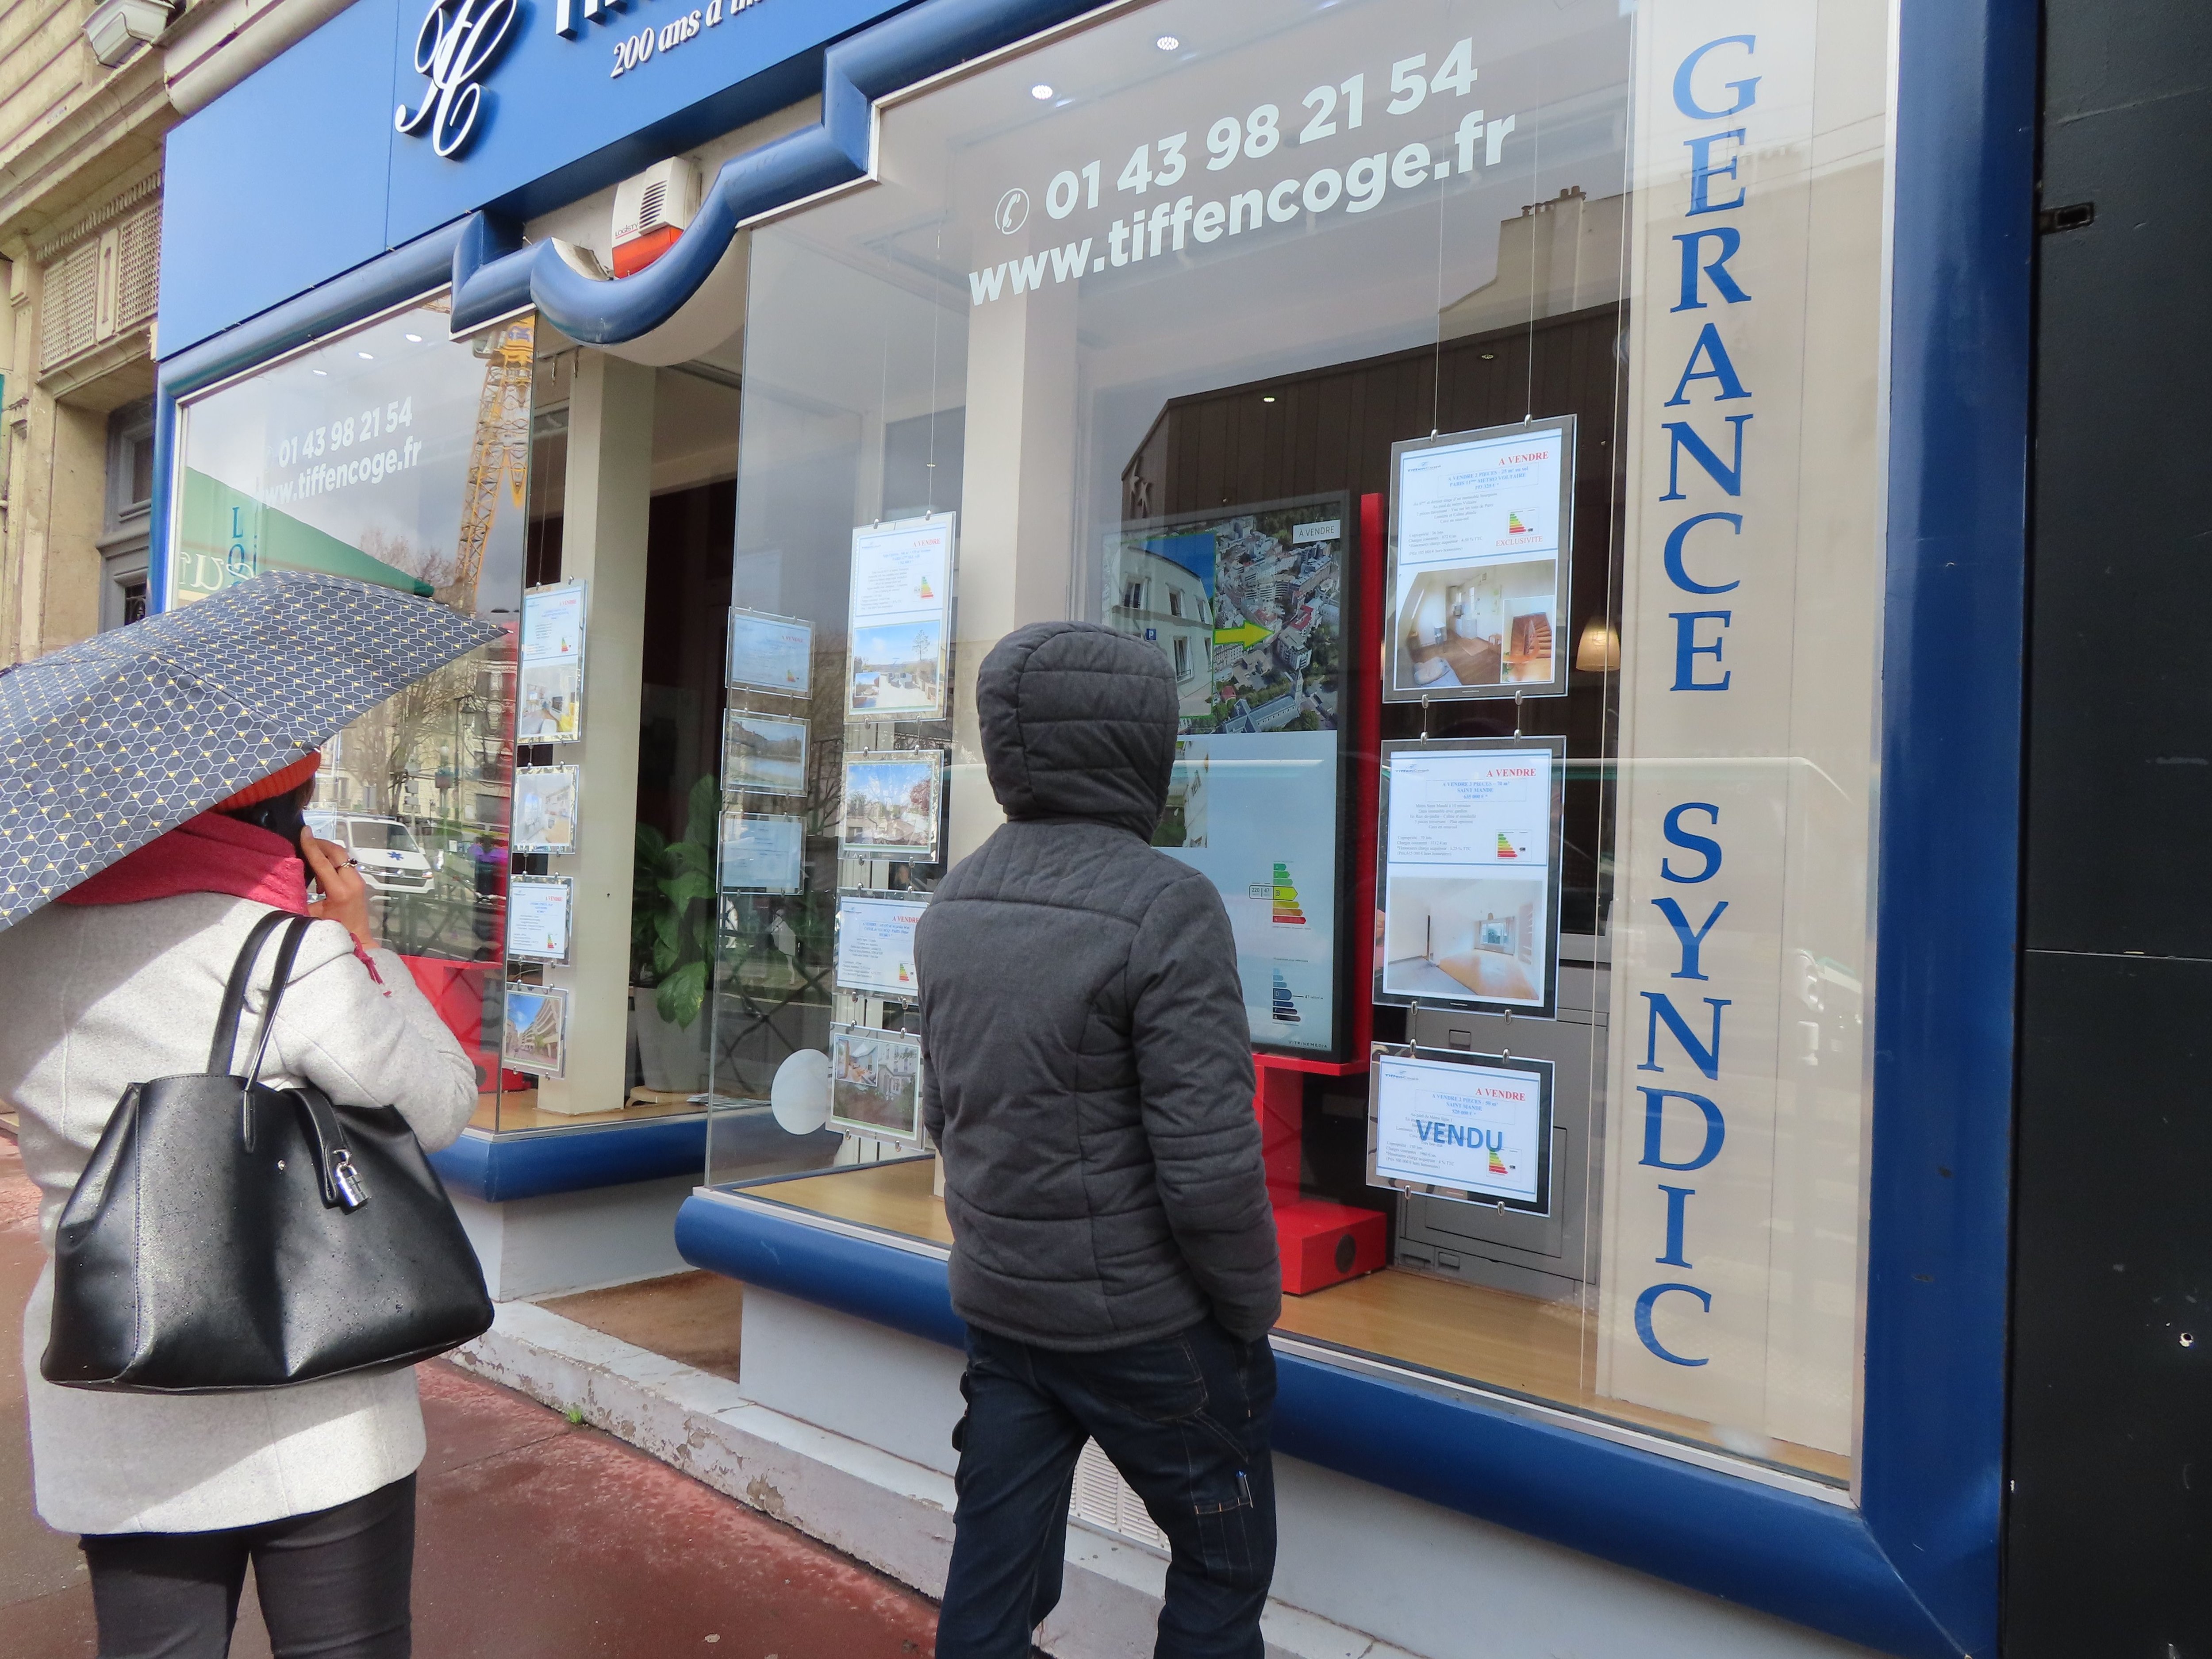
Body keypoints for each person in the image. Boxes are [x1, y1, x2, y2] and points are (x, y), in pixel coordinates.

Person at [0, 750, 478, 1658]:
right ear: (280, 817)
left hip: (114, 1366)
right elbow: (443, 1103)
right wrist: (360, 946)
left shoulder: (16, 947)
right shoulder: (292, 954)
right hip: (316, 1393)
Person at [916, 621, 1282, 1659]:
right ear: (1141, 744)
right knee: (1220, 1564)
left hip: (1004, 1313)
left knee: (989, 1585)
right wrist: (1249, 1312)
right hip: (1150, 1332)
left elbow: (944, 1117)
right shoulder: (1167, 905)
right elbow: (1208, 1172)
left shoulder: (954, 899)